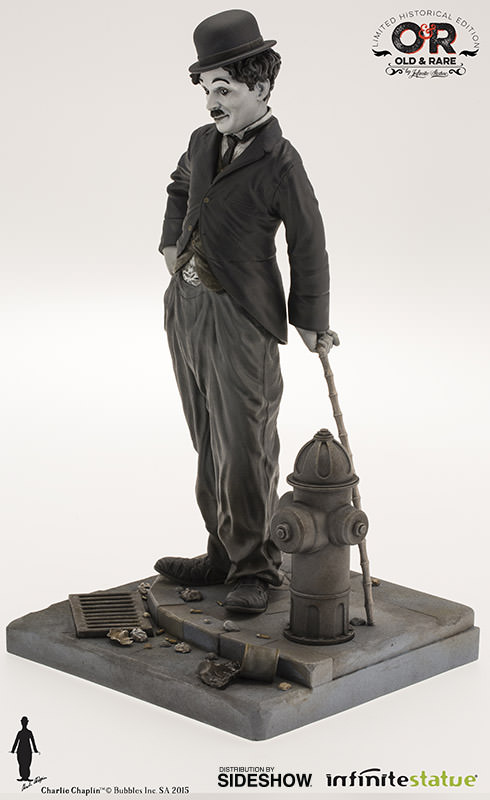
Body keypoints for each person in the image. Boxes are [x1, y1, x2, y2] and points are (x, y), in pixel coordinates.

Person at [155, 9, 337, 613]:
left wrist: (311, 318)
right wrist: (171, 244)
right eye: (207, 89)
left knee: (245, 442)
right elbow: (179, 186)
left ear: (260, 87)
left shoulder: (281, 161)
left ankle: (256, 566)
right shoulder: (202, 142)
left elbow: (308, 241)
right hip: (187, 308)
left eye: (224, 89)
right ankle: (222, 552)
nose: (213, 103)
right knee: (207, 437)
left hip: (242, 316)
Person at [11, 716, 39, 782]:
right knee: (22, 763)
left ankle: (26, 777)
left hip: (25, 750)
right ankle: (23, 777)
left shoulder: (26, 732)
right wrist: (13, 750)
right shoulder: (22, 733)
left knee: (26, 764)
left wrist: (35, 750)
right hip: (23, 750)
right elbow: (16, 741)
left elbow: (33, 742)